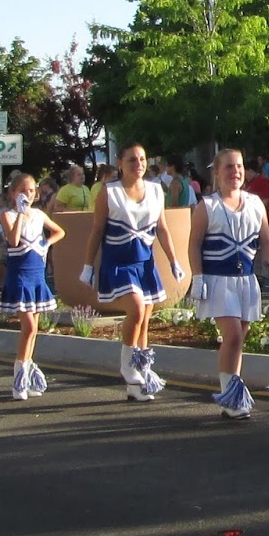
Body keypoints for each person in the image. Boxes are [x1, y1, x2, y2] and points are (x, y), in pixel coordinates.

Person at [188, 148, 269, 419]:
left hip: (246, 281)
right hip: (218, 281)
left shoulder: (255, 203)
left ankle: (232, 393)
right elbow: (194, 244)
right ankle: (229, 396)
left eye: (239, 166)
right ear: (218, 172)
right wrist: (197, 278)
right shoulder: (207, 206)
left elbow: (266, 240)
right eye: (229, 167)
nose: (236, 172)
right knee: (231, 335)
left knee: (239, 338)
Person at [80, 143, 185, 401]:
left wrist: (174, 261)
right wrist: (87, 266)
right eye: (132, 160)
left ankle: (138, 383)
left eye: (141, 159)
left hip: (144, 262)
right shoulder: (109, 192)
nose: (138, 164)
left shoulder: (155, 190)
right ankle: (127, 365)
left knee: (145, 321)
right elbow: (97, 230)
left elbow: (162, 228)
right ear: (120, 163)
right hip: (119, 262)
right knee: (136, 310)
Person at [0, 171, 65, 401]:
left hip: (37, 275)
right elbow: (14, 241)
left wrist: (46, 243)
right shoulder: (7, 215)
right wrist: (20, 214)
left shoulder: (38, 214)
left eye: (32, 190)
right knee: (27, 327)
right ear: (13, 193)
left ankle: (27, 374)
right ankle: (19, 379)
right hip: (19, 277)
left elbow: (59, 231)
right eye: (23, 191)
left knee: (34, 329)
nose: (29, 194)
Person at [245, 155, 269, 232]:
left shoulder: (263, 181)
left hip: (264, 220)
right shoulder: (248, 183)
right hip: (251, 220)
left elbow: (266, 201)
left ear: (249, 170)